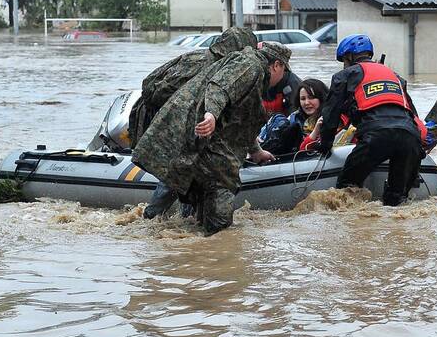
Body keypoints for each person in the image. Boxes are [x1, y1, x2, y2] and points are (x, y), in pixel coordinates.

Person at [134, 41, 292, 235]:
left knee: (185, 188)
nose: (283, 77)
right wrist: (211, 114)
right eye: (284, 70)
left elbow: (241, 122)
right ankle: (215, 250)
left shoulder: (251, 71)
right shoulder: (251, 65)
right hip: (205, 143)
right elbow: (219, 87)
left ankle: (165, 237)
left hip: (202, 145)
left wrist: (256, 151)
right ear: (277, 65)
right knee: (219, 218)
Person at [135, 27, 257, 219]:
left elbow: (238, 119)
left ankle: (179, 220)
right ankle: (153, 218)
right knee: (177, 173)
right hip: (181, 125)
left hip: (190, 124)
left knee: (191, 175)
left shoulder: (206, 59)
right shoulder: (218, 67)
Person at [317, 34, 425, 206]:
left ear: (349, 57)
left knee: (346, 189)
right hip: (410, 137)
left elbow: (331, 114)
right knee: (397, 201)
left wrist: (324, 145)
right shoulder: (396, 77)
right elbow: (413, 115)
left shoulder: (345, 75)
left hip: (377, 136)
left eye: (344, 60)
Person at [261, 77, 329, 155]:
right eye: (303, 99)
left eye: (311, 97)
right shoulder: (294, 118)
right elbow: (302, 151)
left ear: (321, 98)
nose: (306, 102)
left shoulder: (331, 118)